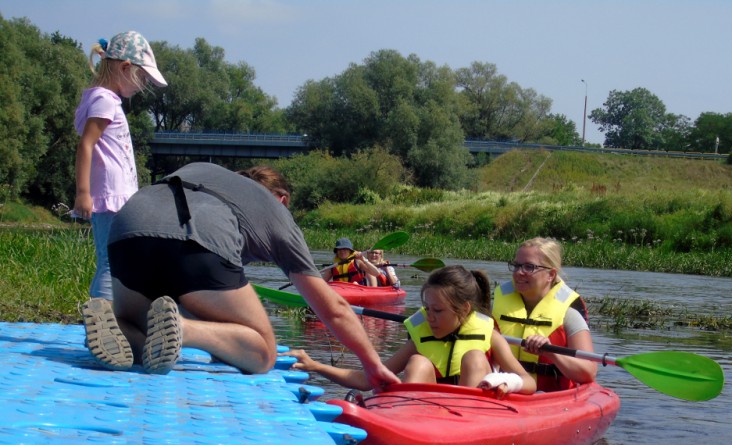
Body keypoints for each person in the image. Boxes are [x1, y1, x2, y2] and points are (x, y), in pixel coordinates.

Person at [79, 161, 400, 389]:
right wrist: (373, 365)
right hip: (195, 238)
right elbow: (333, 309)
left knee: (139, 324)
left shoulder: (206, 172)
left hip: (126, 230)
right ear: (283, 200)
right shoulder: (275, 211)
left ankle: (121, 326)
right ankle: (181, 328)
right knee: (263, 352)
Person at [285, 265, 536, 396]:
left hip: (474, 418)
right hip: (425, 417)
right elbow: (368, 378)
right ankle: (407, 417)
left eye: (438, 311)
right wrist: (316, 366)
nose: (430, 318)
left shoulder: (490, 336)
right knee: (418, 362)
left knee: (473, 357)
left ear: (464, 309)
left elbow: (528, 383)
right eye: (427, 308)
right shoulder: (420, 339)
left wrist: (503, 381)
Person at [73, 31, 167, 300]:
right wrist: (83, 193)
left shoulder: (105, 98)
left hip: (118, 195)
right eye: (142, 78)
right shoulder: (103, 99)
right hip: (110, 195)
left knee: (117, 260)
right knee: (110, 261)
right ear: (125, 68)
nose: (142, 86)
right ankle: (100, 321)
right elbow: (86, 145)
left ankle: (110, 318)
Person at [492, 237, 596, 391]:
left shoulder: (570, 314)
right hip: (502, 389)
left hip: (550, 397)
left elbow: (588, 372)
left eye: (529, 267)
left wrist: (551, 352)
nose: (519, 272)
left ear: (551, 275)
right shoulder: (495, 306)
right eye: (516, 265)